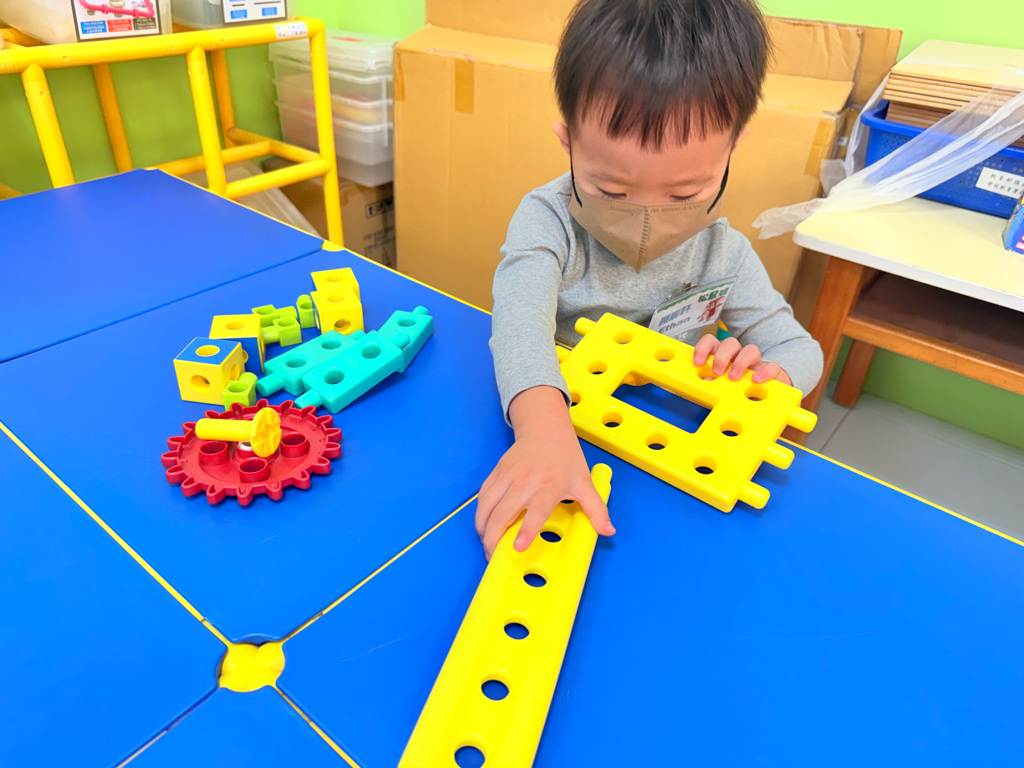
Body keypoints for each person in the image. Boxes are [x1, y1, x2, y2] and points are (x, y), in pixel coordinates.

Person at [477, 0, 824, 559]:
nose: (646, 217)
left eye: (685, 193)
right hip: (549, 422)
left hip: (665, 449)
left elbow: (802, 350)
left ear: (734, 145)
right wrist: (542, 431)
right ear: (569, 142)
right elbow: (519, 322)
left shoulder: (724, 252)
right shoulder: (548, 219)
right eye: (611, 189)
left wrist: (769, 374)